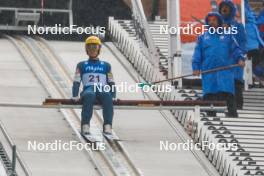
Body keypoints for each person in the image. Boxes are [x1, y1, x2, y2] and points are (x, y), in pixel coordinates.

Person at [192, 12, 245, 117]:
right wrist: (196, 67)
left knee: (228, 93)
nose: (211, 22)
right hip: (209, 72)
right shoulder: (202, 38)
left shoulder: (228, 36)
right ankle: (211, 116)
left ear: (219, 21)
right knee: (209, 95)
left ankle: (233, 115)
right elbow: (197, 54)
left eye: (214, 20)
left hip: (225, 71)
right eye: (209, 20)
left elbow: (236, 49)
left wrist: (240, 58)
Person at [72, 36, 116, 135]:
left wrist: (113, 95)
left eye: (94, 47)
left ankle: (107, 125)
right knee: (89, 95)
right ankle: (85, 125)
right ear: (86, 49)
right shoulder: (81, 65)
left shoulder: (106, 65)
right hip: (88, 89)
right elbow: (77, 81)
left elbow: (111, 82)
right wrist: (75, 95)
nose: (92, 50)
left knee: (107, 96)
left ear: (99, 49)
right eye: (90, 48)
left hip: (102, 89)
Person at [218, 0, 247, 109]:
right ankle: (222, 104)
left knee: (236, 82)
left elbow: (242, 42)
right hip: (221, 60)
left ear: (232, 10)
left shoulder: (238, 26)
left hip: (235, 60)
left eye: (227, 7)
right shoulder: (216, 26)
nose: (224, 9)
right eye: (222, 7)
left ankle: (238, 105)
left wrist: (241, 56)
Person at [244, 0, 264, 84]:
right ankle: (252, 78)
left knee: (254, 62)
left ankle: (253, 78)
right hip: (254, 43)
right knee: (253, 61)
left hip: (257, 43)